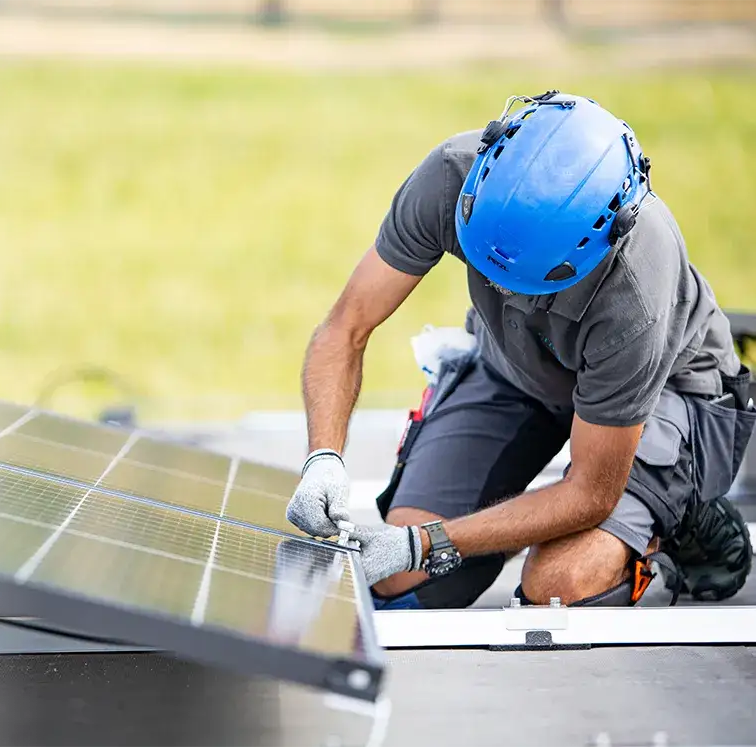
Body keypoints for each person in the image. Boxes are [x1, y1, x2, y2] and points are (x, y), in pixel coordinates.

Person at [285, 91, 754, 609]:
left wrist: (429, 542)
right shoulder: (453, 178)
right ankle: (519, 524)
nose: (502, 290)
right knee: (404, 578)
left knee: (558, 585)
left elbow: (591, 494)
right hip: (519, 364)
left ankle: (677, 519)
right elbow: (345, 327)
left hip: (663, 394)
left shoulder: (635, 290)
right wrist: (323, 459)